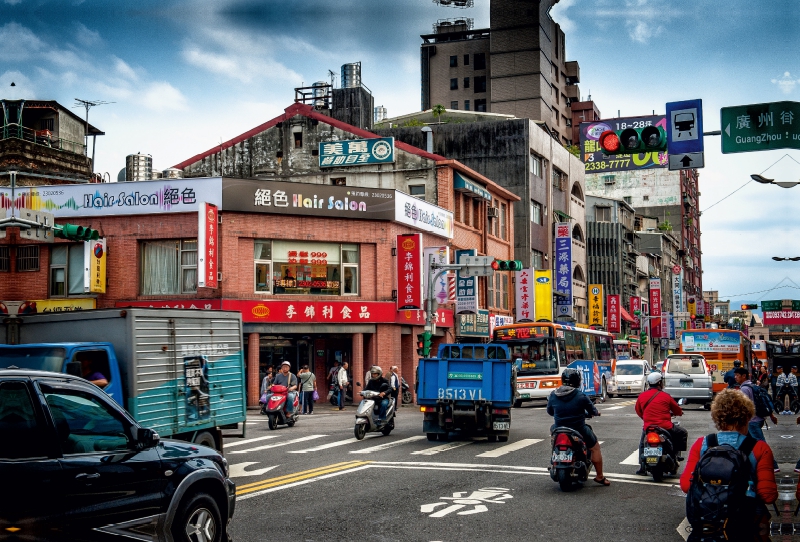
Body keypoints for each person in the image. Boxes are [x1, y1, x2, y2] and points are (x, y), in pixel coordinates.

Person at [680, 389, 777, 541]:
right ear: (747, 417)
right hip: (745, 524)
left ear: (718, 417)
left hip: (707, 522)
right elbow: (768, 495)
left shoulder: (702, 444)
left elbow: (686, 485)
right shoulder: (759, 448)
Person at [546, 368, 609, 487]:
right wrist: (595, 413)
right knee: (595, 447)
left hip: (559, 428)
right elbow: (592, 410)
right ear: (578, 381)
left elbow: (550, 411)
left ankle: (555, 454)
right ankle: (600, 476)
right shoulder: (581, 396)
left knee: (552, 431)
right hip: (579, 429)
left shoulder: (553, 395)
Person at [634, 371, 688, 475]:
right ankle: (676, 454)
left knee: (642, 444)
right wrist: (680, 413)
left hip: (648, 427)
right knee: (682, 433)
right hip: (665, 427)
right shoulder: (666, 396)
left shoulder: (642, 396)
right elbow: (677, 410)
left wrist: (646, 419)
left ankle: (642, 468)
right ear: (659, 383)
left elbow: (638, 410)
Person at [735, 367, 780, 473]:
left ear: (744, 376)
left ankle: (773, 465)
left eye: (737, 375)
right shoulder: (753, 385)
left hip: (752, 421)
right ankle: (745, 465)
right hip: (757, 419)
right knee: (745, 443)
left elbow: (744, 406)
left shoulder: (744, 389)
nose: (735, 377)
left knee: (761, 444)